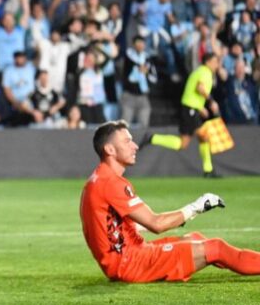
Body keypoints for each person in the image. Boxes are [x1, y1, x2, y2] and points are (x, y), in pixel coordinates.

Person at [84, 120, 260, 283]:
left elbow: (111, 227)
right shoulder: (111, 183)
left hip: (126, 257)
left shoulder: (97, 179)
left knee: (195, 238)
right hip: (131, 263)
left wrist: (178, 218)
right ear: (110, 150)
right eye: (127, 141)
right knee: (216, 247)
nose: (135, 146)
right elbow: (157, 224)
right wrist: (197, 207)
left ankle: (237, 261)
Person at [141, 53, 222, 177]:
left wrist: (200, 108)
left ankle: (208, 170)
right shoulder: (205, 72)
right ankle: (208, 170)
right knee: (196, 138)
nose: (217, 64)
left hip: (191, 108)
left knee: (191, 141)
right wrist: (211, 101)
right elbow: (200, 88)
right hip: (189, 109)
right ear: (208, 62)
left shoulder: (200, 71)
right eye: (215, 61)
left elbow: (192, 92)